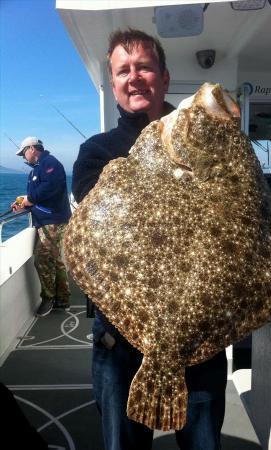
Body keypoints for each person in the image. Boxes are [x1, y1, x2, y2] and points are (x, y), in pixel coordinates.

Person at [72, 29, 227, 450]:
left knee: (203, 443)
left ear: (163, 75)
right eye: (123, 71)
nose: (134, 77)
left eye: (143, 66)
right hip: (119, 337)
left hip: (199, 332)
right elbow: (96, 228)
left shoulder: (204, 137)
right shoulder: (97, 151)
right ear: (114, 84)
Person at [13, 137, 71, 317]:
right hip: (45, 220)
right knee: (55, 260)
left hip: (52, 221)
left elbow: (51, 187)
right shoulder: (38, 169)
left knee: (42, 260)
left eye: (24, 152)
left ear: (32, 148)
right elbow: (38, 194)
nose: (24, 156)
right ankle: (62, 300)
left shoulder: (49, 163)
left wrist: (30, 199)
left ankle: (49, 298)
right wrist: (23, 202)